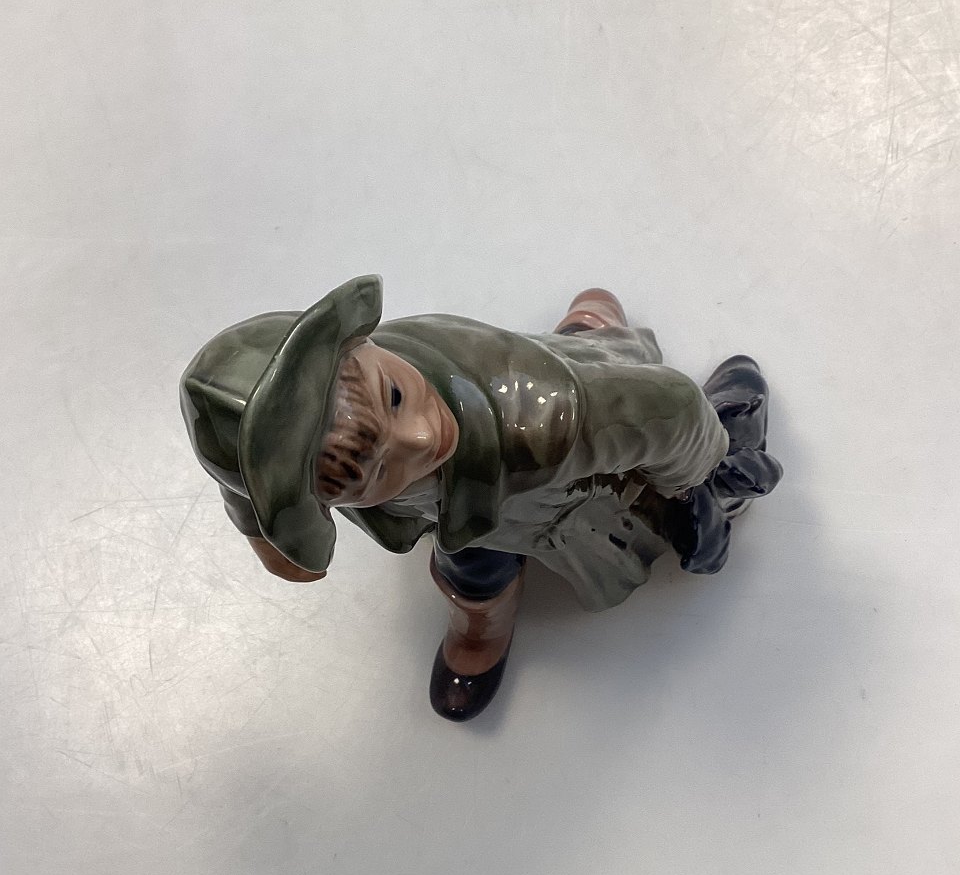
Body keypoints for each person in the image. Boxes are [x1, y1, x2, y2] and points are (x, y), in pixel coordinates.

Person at [180, 276, 781, 720]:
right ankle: (482, 625)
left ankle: (607, 340)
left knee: (674, 506)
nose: (422, 438)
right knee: (471, 565)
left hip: (553, 472)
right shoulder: (348, 416)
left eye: (395, 398)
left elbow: (673, 408)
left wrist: (691, 481)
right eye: (374, 469)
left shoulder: (551, 423)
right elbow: (242, 470)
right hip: (463, 507)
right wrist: (263, 529)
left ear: (359, 343)